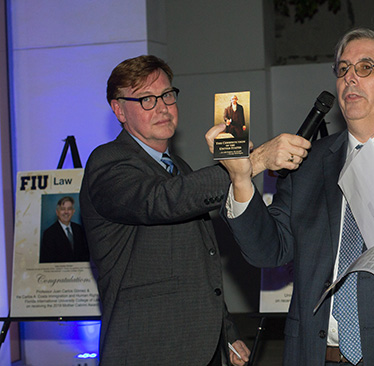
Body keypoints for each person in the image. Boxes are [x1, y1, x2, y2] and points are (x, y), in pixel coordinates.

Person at [206, 28, 374, 365]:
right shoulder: (309, 163)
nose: (349, 78)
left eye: (365, 68)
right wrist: (240, 179)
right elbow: (269, 250)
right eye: (342, 69)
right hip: (314, 354)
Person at [79, 55, 250, 366]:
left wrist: (226, 332)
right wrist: (250, 166)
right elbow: (160, 201)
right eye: (146, 99)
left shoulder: (180, 169)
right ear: (119, 110)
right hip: (148, 350)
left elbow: (200, 263)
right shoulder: (107, 162)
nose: (162, 107)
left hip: (202, 347)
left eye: (167, 95)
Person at [40, 196, 89, 263]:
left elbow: (85, 256)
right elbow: (48, 261)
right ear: (57, 212)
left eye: (69, 209)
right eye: (63, 209)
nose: (66, 212)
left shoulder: (80, 230)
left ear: (73, 211)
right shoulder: (49, 233)